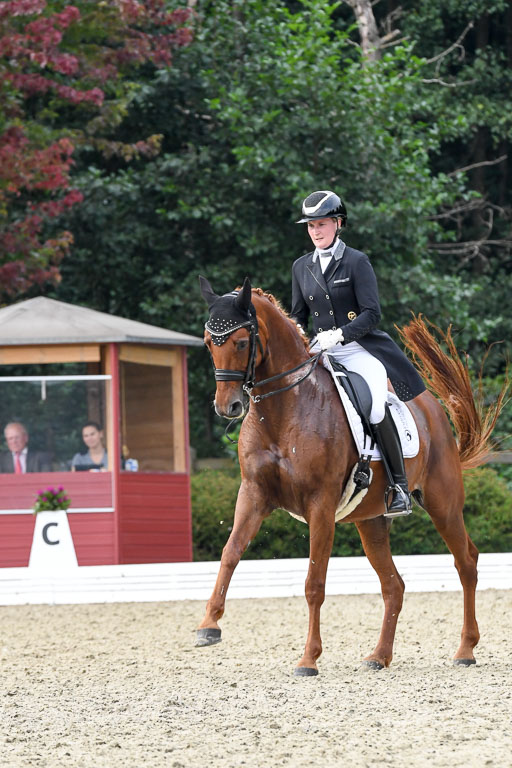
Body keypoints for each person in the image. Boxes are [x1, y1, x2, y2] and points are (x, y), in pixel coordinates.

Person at [291, 190, 426, 516]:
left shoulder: (356, 261)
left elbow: (371, 314)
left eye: (322, 224)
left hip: (358, 350)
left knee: (376, 408)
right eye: (311, 226)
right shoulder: (300, 266)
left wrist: (338, 334)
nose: (316, 231)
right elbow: (298, 315)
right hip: (320, 354)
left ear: (338, 223)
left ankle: (398, 487)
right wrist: (298, 337)